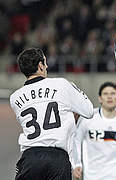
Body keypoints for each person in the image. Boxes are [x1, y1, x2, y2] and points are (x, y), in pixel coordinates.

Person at [9, 48, 94, 180]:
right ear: (40, 65)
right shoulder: (61, 84)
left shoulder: (14, 98)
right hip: (57, 158)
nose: (47, 66)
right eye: (45, 62)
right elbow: (88, 111)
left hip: (30, 157)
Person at [72, 82, 116, 180]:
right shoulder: (88, 117)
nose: (109, 97)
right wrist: (76, 164)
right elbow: (76, 141)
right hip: (93, 174)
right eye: (105, 94)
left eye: (112, 94)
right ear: (100, 98)